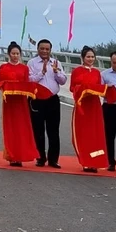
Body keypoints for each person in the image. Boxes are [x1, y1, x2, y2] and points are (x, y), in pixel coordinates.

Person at [0, 41, 49, 166]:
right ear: (9, 54)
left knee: (22, 128)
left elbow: (27, 83)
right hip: (9, 102)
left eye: (17, 53)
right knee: (10, 128)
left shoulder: (24, 68)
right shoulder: (4, 68)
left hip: (21, 102)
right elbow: (0, 84)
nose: (15, 56)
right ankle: (11, 155)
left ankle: (21, 155)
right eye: (13, 53)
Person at [69, 46, 115, 173]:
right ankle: (85, 162)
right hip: (82, 106)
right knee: (82, 134)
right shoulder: (76, 71)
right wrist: (82, 89)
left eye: (92, 57)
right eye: (88, 57)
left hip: (94, 106)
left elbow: (99, 88)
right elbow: (72, 88)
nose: (90, 59)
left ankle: (94, 162)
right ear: (82, 58)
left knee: (95, 134)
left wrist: (107, 87)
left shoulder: (96, 73)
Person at [27, 38, 67, 168]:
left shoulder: (56, 63)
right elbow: (29, 80)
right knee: (38, 130)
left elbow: (63, 81)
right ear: (38, 49)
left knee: (53, 131)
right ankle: (40, 157)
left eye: (47, 49)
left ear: (50, 50)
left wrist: (56, 72)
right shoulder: (32, 63)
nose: (44, 51)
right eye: (42, 49)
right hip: (37, 100)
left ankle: (53, 159)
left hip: (52, 100)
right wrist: (42, 72)